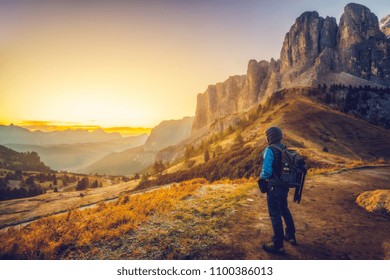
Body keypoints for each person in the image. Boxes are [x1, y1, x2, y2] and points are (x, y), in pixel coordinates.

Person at [259, 126, 297, 255]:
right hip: (284, 186)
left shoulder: (270, 150)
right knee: (284, 210)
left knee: (275, 215)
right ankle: (291, 235)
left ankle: (278, 244)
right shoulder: (283, 148)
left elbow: (267, 171)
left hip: (274, 187)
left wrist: (262, 179)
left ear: (270, 137)